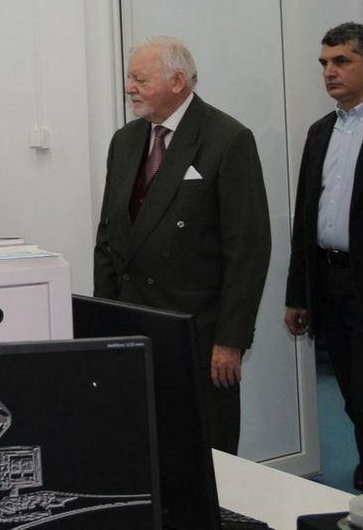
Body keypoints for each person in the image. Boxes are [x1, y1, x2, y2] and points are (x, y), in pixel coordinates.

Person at [94, 36, 270, 455]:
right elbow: (108, 238)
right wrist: (104, 321)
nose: (129, 88)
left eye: (140, 79)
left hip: (197, 334)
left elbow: (247, 249)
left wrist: (230, 339)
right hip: (134, 326)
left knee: (203, 454)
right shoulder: (125, 141)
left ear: (177, 81)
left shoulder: (227, 139)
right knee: (139, 447)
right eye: (129, 78)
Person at [284, 22, 363, 493]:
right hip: (329, 279)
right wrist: (298, 294)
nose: (329, 71)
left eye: (342, 60)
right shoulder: (320, 131)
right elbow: (305, 218)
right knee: (350, 393)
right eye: (324, 63)